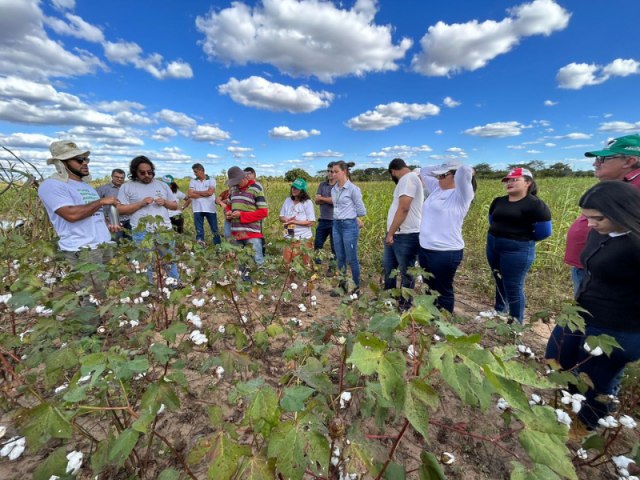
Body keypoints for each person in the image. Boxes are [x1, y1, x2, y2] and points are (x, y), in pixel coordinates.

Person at [545, 181, 640, 429]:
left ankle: (585, 427)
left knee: (595, 383)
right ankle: (569, 406)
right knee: (556, 357)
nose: (590, 224)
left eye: (597, 218)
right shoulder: (600, 232)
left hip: (617, 328)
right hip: (583, 312)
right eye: (586, 217)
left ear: (622, 213)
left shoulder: (635, 244)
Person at [38, 140, 119, 310]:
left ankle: (104, 328)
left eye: (85, 159)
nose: (85, 163)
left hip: (102, 244)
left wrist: (107, 224)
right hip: (83, 248)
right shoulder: (52, 185)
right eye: (79, 160)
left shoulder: (85, 186)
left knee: (104, 289)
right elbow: (71, 214)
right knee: (90, 294)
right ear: (61, 163)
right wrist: (101, 201)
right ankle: (88, 333)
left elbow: (92, 213)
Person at [564, 134, 640, 295]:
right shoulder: (619, 184)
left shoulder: (635, 187)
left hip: (612, 272)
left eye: (603, 159)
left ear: (629, 161)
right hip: (593, 265)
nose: (595, 163)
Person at [485, 168, 552, 324]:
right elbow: (492, 220)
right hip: (494, 244)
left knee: (513, 286)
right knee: (498, 278)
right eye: (508, 180)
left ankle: (515, 324)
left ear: (528, 183)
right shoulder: (498, 201)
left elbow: (544, 232)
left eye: (515, 180)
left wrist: (520, 238)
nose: (510, 183)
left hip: (517, 249)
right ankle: (499, 310)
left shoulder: (535, 205)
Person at [417, 159, 474, 313]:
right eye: (439, 176)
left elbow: (465, 170)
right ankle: (431, 316)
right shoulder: (437, 189)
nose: (439, 179)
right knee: (429, 287)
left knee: (443, 289)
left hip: (445, 252)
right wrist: (443, 169)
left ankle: (444, 325)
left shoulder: (461, 195)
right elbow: (423, 170)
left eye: (443, 176)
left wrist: (455, 168)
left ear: (455, 177)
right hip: (425, 248)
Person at [117, 156, 180, 284]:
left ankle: (174, 284)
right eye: (142, 173)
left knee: (169, 260)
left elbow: (175, 205)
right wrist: (141, 203)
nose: (147, 175)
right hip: (141, 232)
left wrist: (165, 202)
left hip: (164, 230)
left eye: (150, 172)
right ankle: (148, 290)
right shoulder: (127, 187)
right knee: (145, 263)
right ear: (135, 172)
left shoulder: (162, 185)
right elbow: (120, 209)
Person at [383, 158, 423, 310]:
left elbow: (404, 208)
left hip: (405, 234)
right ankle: (390, 298)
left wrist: (390, 233)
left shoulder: (408, 179)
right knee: (389, 267)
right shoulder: (409, 179)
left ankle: (405, 304)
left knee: (406, 271)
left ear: (393, 171)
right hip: (397, 234)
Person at [331, 161, 366, 293]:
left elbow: (361, 210)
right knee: (340, 257)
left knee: (351, 258)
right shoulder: (334, 189)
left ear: (344, 172)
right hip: (336, 224)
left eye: (336, 171)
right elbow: (336, 208)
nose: (333, 174)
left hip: (348, 225)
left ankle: (356, 287)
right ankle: (342, 286)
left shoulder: (353, 189)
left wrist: (352, 217)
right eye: (332, 171)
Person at [225, 166, 268, 266]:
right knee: (241, 262)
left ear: (243, 178)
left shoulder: (256, 189)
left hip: (252, 233)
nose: (235, 184)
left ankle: (261, 281)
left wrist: (242, 215)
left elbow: (263, 212)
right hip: (236, 233)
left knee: (257, 261)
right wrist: (228, 213)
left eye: (236, 182)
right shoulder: (233, 190)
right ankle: (245, 281)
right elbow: (228, 206)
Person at [279, 178, 315, 265]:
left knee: (304, 265)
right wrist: (286, 220)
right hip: (288, 237)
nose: (293, 190)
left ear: (302, 190)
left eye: (297, 188)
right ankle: (290, 278)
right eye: (293, 187)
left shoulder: (307, 203)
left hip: (303, 239)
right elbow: (281, 217)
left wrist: (295, 222)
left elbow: (311, 222)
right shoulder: (288, 201)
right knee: (287, 263)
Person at [188, 163, 220, 246]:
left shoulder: (211, 180)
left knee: (214, 229)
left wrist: (196, 192)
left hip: (210, 208)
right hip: (197, 209)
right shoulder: (193, 181)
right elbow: (190, 194)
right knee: (199, 230)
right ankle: (200, 248)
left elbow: (210, 193)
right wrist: (204, 193)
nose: (195, 174)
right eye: (194, 172)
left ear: (202, 170)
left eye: (196, 171)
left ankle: (218, 247)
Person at [96, 168, 131, 242]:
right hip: (113, 222)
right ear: (112, 176)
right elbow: (96, 204)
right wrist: (105, 218)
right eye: (117, 177)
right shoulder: (103, 189)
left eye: (122, 178)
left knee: (129, 242)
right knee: (116, 242)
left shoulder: (127, 188)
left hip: (128, 220)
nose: (119, 179)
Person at [314, 162, 336, 269]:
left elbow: (336, 201)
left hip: (335, 221)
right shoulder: (322, 185)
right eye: (328, 171)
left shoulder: (339, 186)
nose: (330, 173)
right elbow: (316, 201)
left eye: (332, 171)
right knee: (318, 243)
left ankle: (332, 268)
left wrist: (322, 198)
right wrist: (329, 200)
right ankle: (317, 265)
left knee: (334, 247)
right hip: (323, 219)